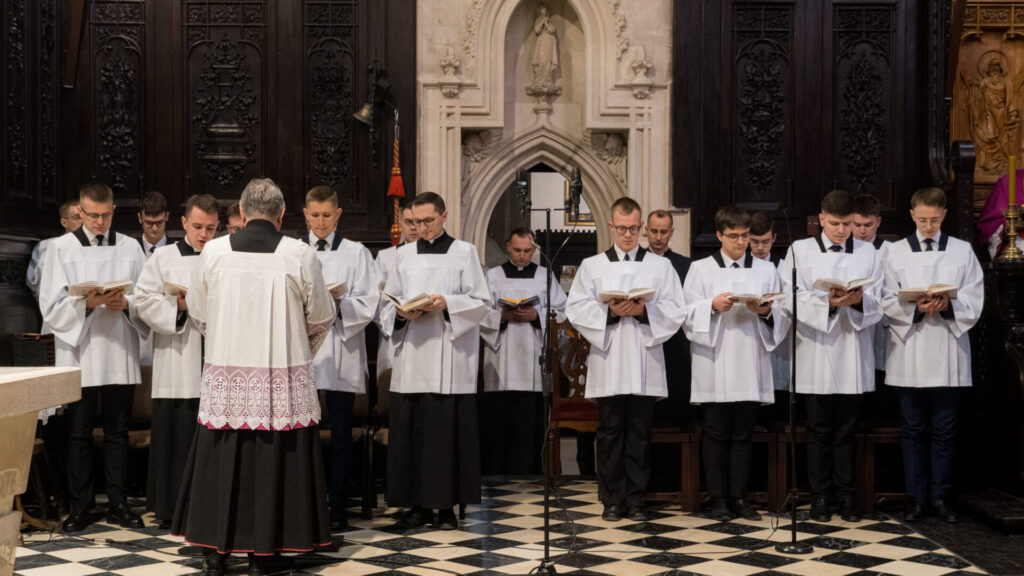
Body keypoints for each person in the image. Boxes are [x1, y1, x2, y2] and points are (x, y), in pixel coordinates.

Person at [172, 178, 336, 576]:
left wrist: (230, 344)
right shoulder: (298, 254)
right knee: (274, 462)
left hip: (227, 377)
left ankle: (216, 552)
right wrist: (296, 353)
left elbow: (198, 312)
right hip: (281, 375)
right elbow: (321, 316)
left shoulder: (212, 252)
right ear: (282, 215)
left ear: (242, 215)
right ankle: (265, 554)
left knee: (223, 458)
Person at [566, 196, 685, 522]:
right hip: (610, 359)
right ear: (611, 226)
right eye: (623, 228)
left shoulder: (660, 266)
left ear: (641, 227)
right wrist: (610, 313)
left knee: (638, 434)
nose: (629, 235)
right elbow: (575, 309)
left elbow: (677, 310)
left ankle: (636, 500)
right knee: (608, 433)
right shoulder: (593, 266)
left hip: (644, 360)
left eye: (634, 229)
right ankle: (611, 500)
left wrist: (645, 310)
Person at [39, 183, 148, 533]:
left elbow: (148, 296)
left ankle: (118, 504)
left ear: (113, 210)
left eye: (105, 215)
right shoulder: (60, 249)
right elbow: (50, 304)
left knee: (118, 431)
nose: (99, 222)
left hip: (118, 348)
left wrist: (127, 304)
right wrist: (87, 303)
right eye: (92, 215)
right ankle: (80, 507)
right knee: (79, 434)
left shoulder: (131, 248)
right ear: (80, 212)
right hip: (80, 352)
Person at [380, 192, 492, 531]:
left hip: (450, 358)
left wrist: (448, 303)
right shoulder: (402, 255)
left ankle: (446, 508)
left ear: (444, 216)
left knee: (446, 436)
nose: (422, 228)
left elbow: (481, 301)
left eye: (429, 220)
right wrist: (401, 313)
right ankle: (416, 506)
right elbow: (386, 303)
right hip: (413, 358)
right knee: (413, 434)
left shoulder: (464, 252)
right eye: (415, 222)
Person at [881, 187, 984, 523]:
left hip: (947, 349)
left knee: (944, 429)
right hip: (910, 349)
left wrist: (948, 305)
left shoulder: (961, 251)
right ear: (912, 214)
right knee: (912, 429)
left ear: (944, 215)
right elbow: (883, 299)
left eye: (934, 219)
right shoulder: (894, 252)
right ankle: (916, 498)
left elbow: (974, 298)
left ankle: (939, 498)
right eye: (922, 219)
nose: (927, 226)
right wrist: (914, 308)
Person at [780, 189, 883, 523]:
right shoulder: (800, 250)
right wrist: (827, 302)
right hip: (815, 351)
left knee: (846, 431)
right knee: (819, 429)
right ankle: (820, 496)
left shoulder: (869, 252)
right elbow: (788, 297)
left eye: (847, 224)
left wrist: (858, 301)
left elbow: (881, 298)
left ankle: (847, 495)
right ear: (821, 218)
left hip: (852, 350)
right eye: (835, 223)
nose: (841, 230)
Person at [683, 206, 788, 521]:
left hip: (749, 360)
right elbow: (685, 314)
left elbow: (781, 314)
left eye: (745, 236)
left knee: (743, 433)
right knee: (715, 433)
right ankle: (717, 499)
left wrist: (765, 312)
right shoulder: (700, 269)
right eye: (734, 236)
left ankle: (739, 498)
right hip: (714, 360)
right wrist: (711, 306)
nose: (741, 242)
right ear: (719, 236)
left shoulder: (766, 270)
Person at [134, 194, 219, 529]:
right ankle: (171, 508)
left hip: (215, 357)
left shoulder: (224, 256)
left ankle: (208, 508)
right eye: (197, 226)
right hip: (177, 360)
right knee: (176, 436)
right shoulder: (163, 257)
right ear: (183, 222)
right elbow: (143, 300)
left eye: (211, 228)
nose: (204, 234)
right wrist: (180, 307)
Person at [301, 185, 380, 531]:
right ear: (305, 214)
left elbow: (369, 300)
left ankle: (337, 503)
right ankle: (305, 499)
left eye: (326, 215)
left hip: (341, 350)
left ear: (338, 215)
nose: (320, 222)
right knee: (302, 431)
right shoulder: (293, 251)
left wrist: (337, 304)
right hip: (303, 354)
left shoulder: (357, 252)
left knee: (342, 432)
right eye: (314, 215)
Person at [481, 227, 567, 475]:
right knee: (499, 423)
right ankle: (497, 473)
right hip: (501, 360)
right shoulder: (493, 276)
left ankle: (530, 471)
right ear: (508, 246)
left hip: (533, 360)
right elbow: (480, 314)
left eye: (528, 251)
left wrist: (537, 315)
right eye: (517, 250)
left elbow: (562, 312)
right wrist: (503, 316)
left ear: (535, 248)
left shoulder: (545, 275)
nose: (522, 255)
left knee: (530, 422)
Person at [644, 210, 692, 427]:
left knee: (675, 412)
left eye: (664, 231)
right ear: (646, 230)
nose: (659, 237)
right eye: (654, 231)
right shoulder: (638, 263)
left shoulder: (686, 266)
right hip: (646, 341)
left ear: (672, 232)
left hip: (676, 344)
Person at [853, 194, 898, 422]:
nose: (862, 231)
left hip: (883, 327)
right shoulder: (843, 252)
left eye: (868, 225)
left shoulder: (891, 250)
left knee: (880, 378)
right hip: (853, 325)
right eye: (857, 225)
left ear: (878, 222)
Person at [374, 204, 421, 380]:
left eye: (418, 222)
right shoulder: (385, 257)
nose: (414, 227)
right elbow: (377, 300)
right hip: (394, 333)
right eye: (409, 222)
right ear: (400, 223)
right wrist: (397, 316)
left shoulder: (436, 258)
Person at [26, 199, 81, 299]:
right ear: (64, 222)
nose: (83, 222)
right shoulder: (49, 246)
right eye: (77, 217)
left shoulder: (96, 246)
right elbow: (43, 287)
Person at [138, 191, 170, 257]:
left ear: (167, 216)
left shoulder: (178, 250)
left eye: (159, 222)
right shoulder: (131, 249)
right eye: (148, 223)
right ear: (140, 218)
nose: (154, 228)